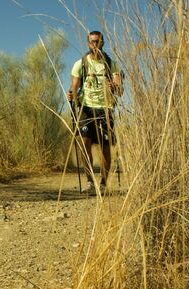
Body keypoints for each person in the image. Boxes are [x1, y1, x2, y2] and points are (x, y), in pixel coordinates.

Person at [67, 30, 123, 195]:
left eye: (97, 41)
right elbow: (74, 87)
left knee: (105, 148)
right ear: (88, 43)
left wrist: (115, 87)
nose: (95, 45)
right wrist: (71, 94)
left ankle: (104, 183)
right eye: (92, 42)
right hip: (86, 108)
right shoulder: (81, 63)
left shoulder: (111, 64)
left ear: (102, 42)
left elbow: (120, 91)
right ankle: (90, 182)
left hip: (105, 109)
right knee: (84, 143)